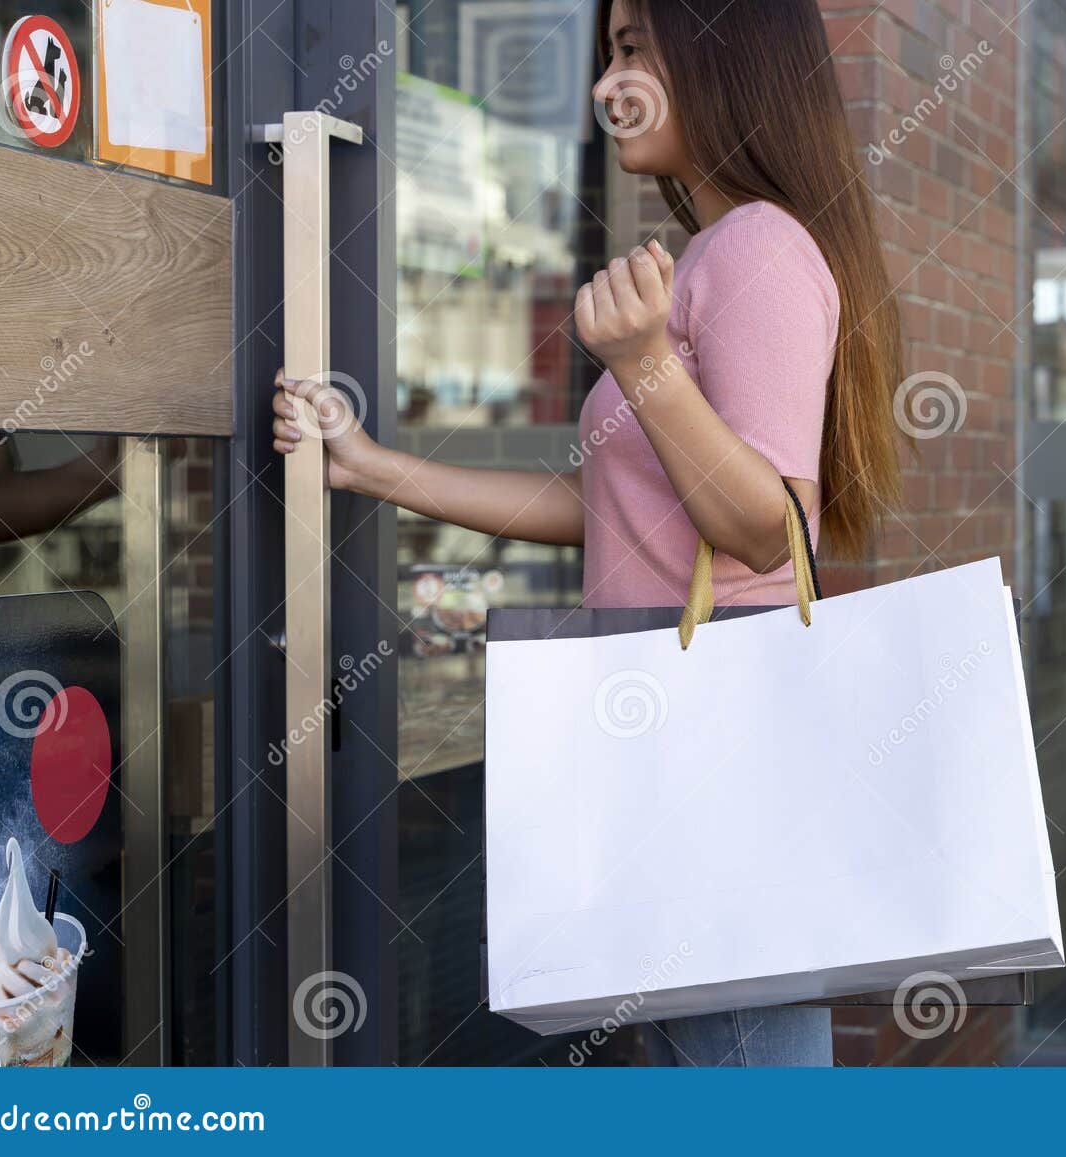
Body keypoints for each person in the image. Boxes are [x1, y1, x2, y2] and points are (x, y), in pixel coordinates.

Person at [272, 0, 906, 1066]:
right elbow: (611, 509)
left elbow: (769, 529)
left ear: (723, 63)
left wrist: (647, 363)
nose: (608, 83)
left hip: (716, 738)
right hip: (665, 724)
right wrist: (374, 467)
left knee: (742, 1066)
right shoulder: (709, 252)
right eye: (608, 52)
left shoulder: (757, 248)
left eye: (633, 51)